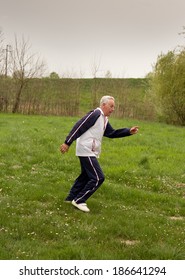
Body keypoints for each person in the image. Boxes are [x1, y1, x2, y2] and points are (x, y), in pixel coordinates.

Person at [60, 96, 139, 213]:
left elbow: (112, 133)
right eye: (111, 106)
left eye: (114, 107)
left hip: (89, 151)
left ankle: (71, 198)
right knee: (98, 177)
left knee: (86, 176)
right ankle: (79, 200)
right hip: (85, 149)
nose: (113, 109)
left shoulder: (104, 119)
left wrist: (128, 131)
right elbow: (79, 126)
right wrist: (67, 142)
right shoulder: (96, 114)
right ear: (103, 105)